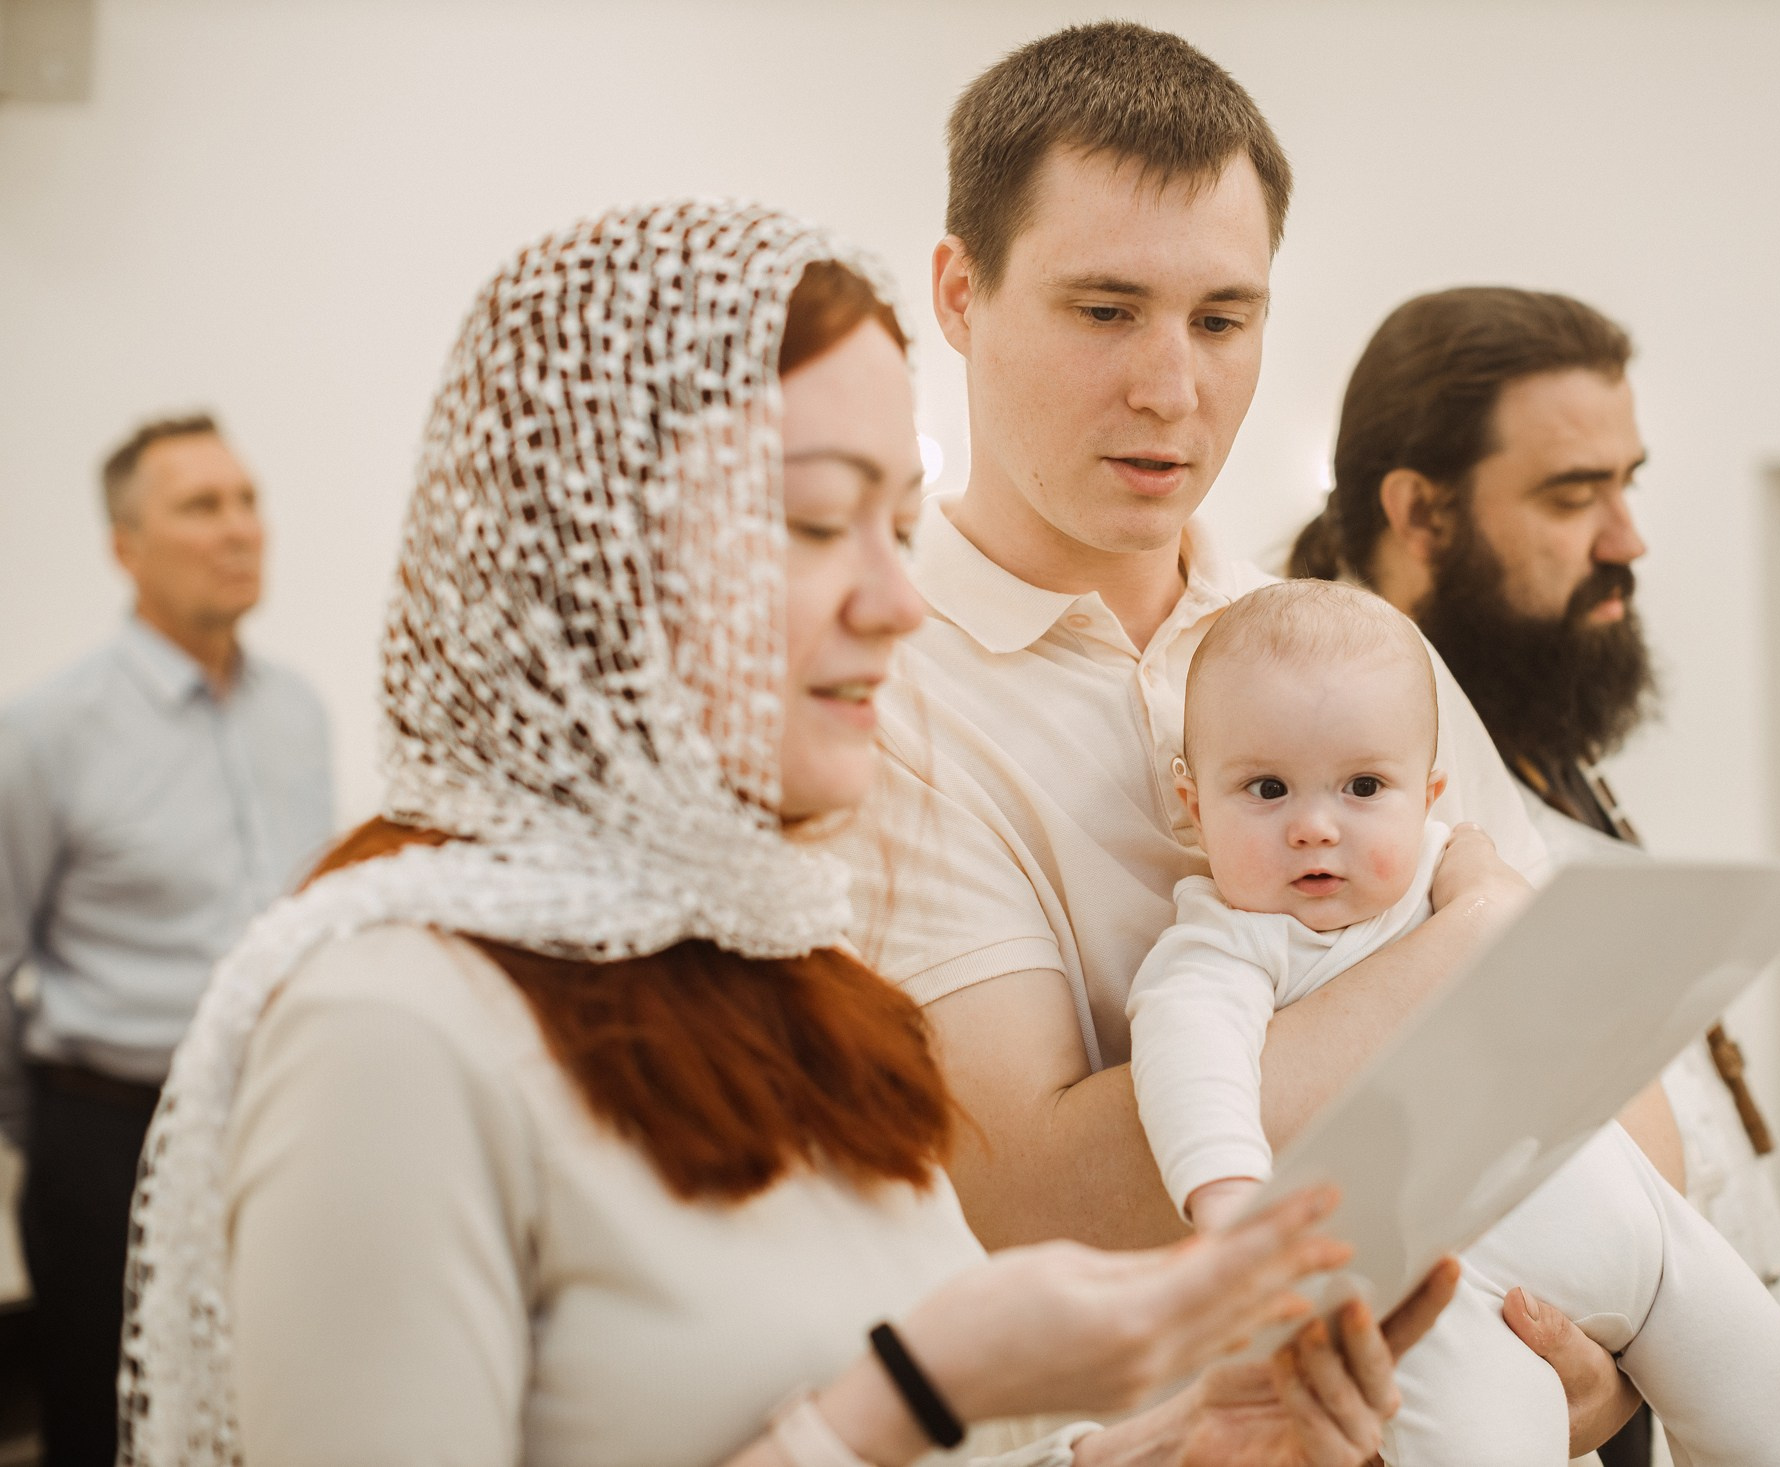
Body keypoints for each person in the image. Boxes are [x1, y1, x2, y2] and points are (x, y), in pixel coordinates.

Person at [119, 200, 1462, 1467]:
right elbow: (892, 1404)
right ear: (600, 556)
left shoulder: (807, 985)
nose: (897, 599)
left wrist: (1166, 1442)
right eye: (819, 522)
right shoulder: (396, 1025)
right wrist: (911, 1389)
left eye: (895, 522)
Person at [832, 22, 1652, 1457]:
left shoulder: (1341, 643)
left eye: (1223, 318)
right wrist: (1466, 947)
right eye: (1106, 311)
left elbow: (1615, 1060)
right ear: (961, 293)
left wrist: (1618, 1345)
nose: (1174, 388)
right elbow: (1032, 1189)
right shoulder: (882, 692)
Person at [1290, 286, 1780, 1461]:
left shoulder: (1529, 724)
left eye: (1626, 483)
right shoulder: (1321, 791)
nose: (1626, 536)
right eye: (1575, 496)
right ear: (1419, 511)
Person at [1126, 580, 1780, 1464]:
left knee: (1773, 1386)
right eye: (1266, 788)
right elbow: (1192, 1063)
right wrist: (1228, 1206)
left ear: (1429, 793)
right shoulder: (1229, 946)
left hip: (1628, 1209)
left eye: (1363, 785)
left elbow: (1570, 990)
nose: (1313, 826)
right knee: (1486, 1438)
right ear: (1193, 805)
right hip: (1452, 1276)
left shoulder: (1455, 871)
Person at [0, 413, 331, 1467]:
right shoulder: (47, 733)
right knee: (109, 1430)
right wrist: (35, 1127)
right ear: (124, 547)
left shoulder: (301, 715)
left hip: (269, 1121)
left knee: (267, 1411)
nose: (240, 529)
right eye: (201, 506)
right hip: (109, 1139)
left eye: (247, 500)